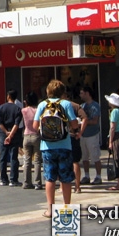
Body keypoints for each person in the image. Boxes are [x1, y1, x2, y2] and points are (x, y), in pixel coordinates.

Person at [34, 79, 79, 218]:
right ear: (62, 92)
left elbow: (35, 126)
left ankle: (50, 209)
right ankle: (66, 208)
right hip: (64, 146)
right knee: (65, 178)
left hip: (47, 147)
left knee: (50, 178)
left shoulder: (42, 105)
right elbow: (74, 124)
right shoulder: (66, 104)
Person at [0, 89, 23, 187]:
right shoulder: (17, 109)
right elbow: (17, 124)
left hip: (3, 134)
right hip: (15, 134)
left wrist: (6, 132)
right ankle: (13, 179)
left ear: (8, 96)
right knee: (14, 157)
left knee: (3, 157)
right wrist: (11, 134)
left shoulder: (1, 108)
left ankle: (3, 179)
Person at [79, 86, 102, 185]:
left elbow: (95, 121)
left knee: (95, 156)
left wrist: (84, 122)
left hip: (92, 134)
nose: (80, 95)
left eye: (82, 93)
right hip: (83, 134)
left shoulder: (95, 106)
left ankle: (98, 176)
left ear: (87, 93)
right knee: (84, 157)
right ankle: (86, 175)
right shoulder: (82, 106)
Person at [105, 93, 119, 191]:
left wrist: (110, 141)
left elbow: (112, 127)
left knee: (118, 159)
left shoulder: (114, 112)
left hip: (116, 136)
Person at [21, 91, 43, 190]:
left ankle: (26, 182)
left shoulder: (24, 110)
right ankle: (38, 183)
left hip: (26, 135)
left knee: (27, 160)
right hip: (36, 135)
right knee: (37, 160)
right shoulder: (38, 110)